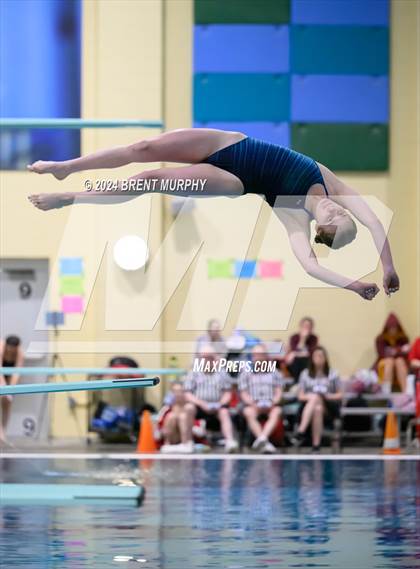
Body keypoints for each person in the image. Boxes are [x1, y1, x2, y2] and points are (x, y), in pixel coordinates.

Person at [27, 128, 399, 300]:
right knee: (143, 146)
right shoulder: (332, 183)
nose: (337, 208)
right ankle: (67, 165)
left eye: (335, 219)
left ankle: (68, 197)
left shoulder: (294, 216)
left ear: (324, 228)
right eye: (344, 213)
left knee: (148, 179)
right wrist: (387, 268)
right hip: (233, 143)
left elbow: (310, 265)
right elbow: (375, 222)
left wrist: (353, 285)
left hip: (233, 178)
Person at [184, 344, 238, 452]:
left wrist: (220, 403)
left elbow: (227, 393)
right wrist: (201, 404)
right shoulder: (193, 373)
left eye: (211, 358)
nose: (208, 361)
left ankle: (230, 441)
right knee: (189, 408)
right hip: (199, 406)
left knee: (224, 412)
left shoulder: (222, 373)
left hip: (217, 406)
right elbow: (187, 394)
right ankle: (187, 442)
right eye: (205, 358)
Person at [291, 346, 342, 453]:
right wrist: (312, 396)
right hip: (309, 407)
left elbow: (340, 394)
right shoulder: (305, 374)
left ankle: (301, 431)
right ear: (312, 358)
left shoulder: (333, 374)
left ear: (325, 358)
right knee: (317, 407)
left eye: (321, 356)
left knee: (317, 400)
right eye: (316, 356)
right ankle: (316, 445)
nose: (318, 358)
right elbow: (300, 396)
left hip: (328, 407)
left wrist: (327, 396)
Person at [239, 343, 284, 454]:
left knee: (277, 411)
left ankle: (262, 438)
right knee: (248, 412)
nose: (258, 358)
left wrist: (273, 402)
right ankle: (264, 442)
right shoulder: (245, 373)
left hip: (271, 405)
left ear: (266, 357)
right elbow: (243, 393)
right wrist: (252, 403)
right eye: (256, 355)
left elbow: (279, 392)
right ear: (253, 357)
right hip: (253, 405)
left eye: (261, 355)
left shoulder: (275, 373)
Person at [374, 313, 410, 392]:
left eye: (394, 328)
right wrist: (399, 350)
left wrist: (394, 351)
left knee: (399, 361)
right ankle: (386, 392)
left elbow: (406, 353)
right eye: (390, 328)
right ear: (387, 328)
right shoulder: (380, 338)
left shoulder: (403, 337)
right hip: (385, 363)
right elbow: (382, 354)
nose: (392, 330)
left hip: (399, 364)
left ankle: (405, 392)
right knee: (389, 361)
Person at [158, 381, 194, 454]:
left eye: (180, 391)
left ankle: (185, 443)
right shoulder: (167, 407)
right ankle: (167, 443)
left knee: (182, 417)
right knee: (171, 416)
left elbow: (194, 426)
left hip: (186, 437)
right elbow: (159, 424)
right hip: (173, 437)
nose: (178, 394)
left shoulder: (189, 407)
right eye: (175, 391)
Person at [0, 335, 24, 443]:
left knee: (7, 403)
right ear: (6, 345)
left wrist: (11, 389)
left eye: (13, 350)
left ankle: (4, 431)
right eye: (9, 349)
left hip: (9, 374)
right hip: (1, 372)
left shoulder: (20, 353)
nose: (10, 351)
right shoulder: (1, 347)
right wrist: (4, 385)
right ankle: (0, 431)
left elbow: (16, 373)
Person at [284, 317, 318, 381]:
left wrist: (294, 354)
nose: (306, 328)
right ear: (300, 326)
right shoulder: (294, 337)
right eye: (304, 326)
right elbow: (294, 350)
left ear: (311, 328)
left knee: (304, 360)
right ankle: (297, 382)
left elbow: (311, 353)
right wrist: (302, 339)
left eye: (308, 326)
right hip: (294, 363)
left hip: (308, 362)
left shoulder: (314, 338)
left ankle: (303, 382)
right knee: (295, 360)